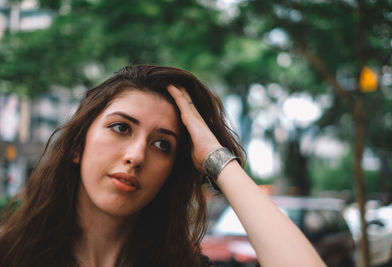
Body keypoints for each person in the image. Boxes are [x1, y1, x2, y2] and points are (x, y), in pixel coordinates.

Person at [0, 64, 326, 267]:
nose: (137, 155)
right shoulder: (11, 254)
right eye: (120, 127)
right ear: (77, 146)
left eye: (162, 145)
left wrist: (215, 157)